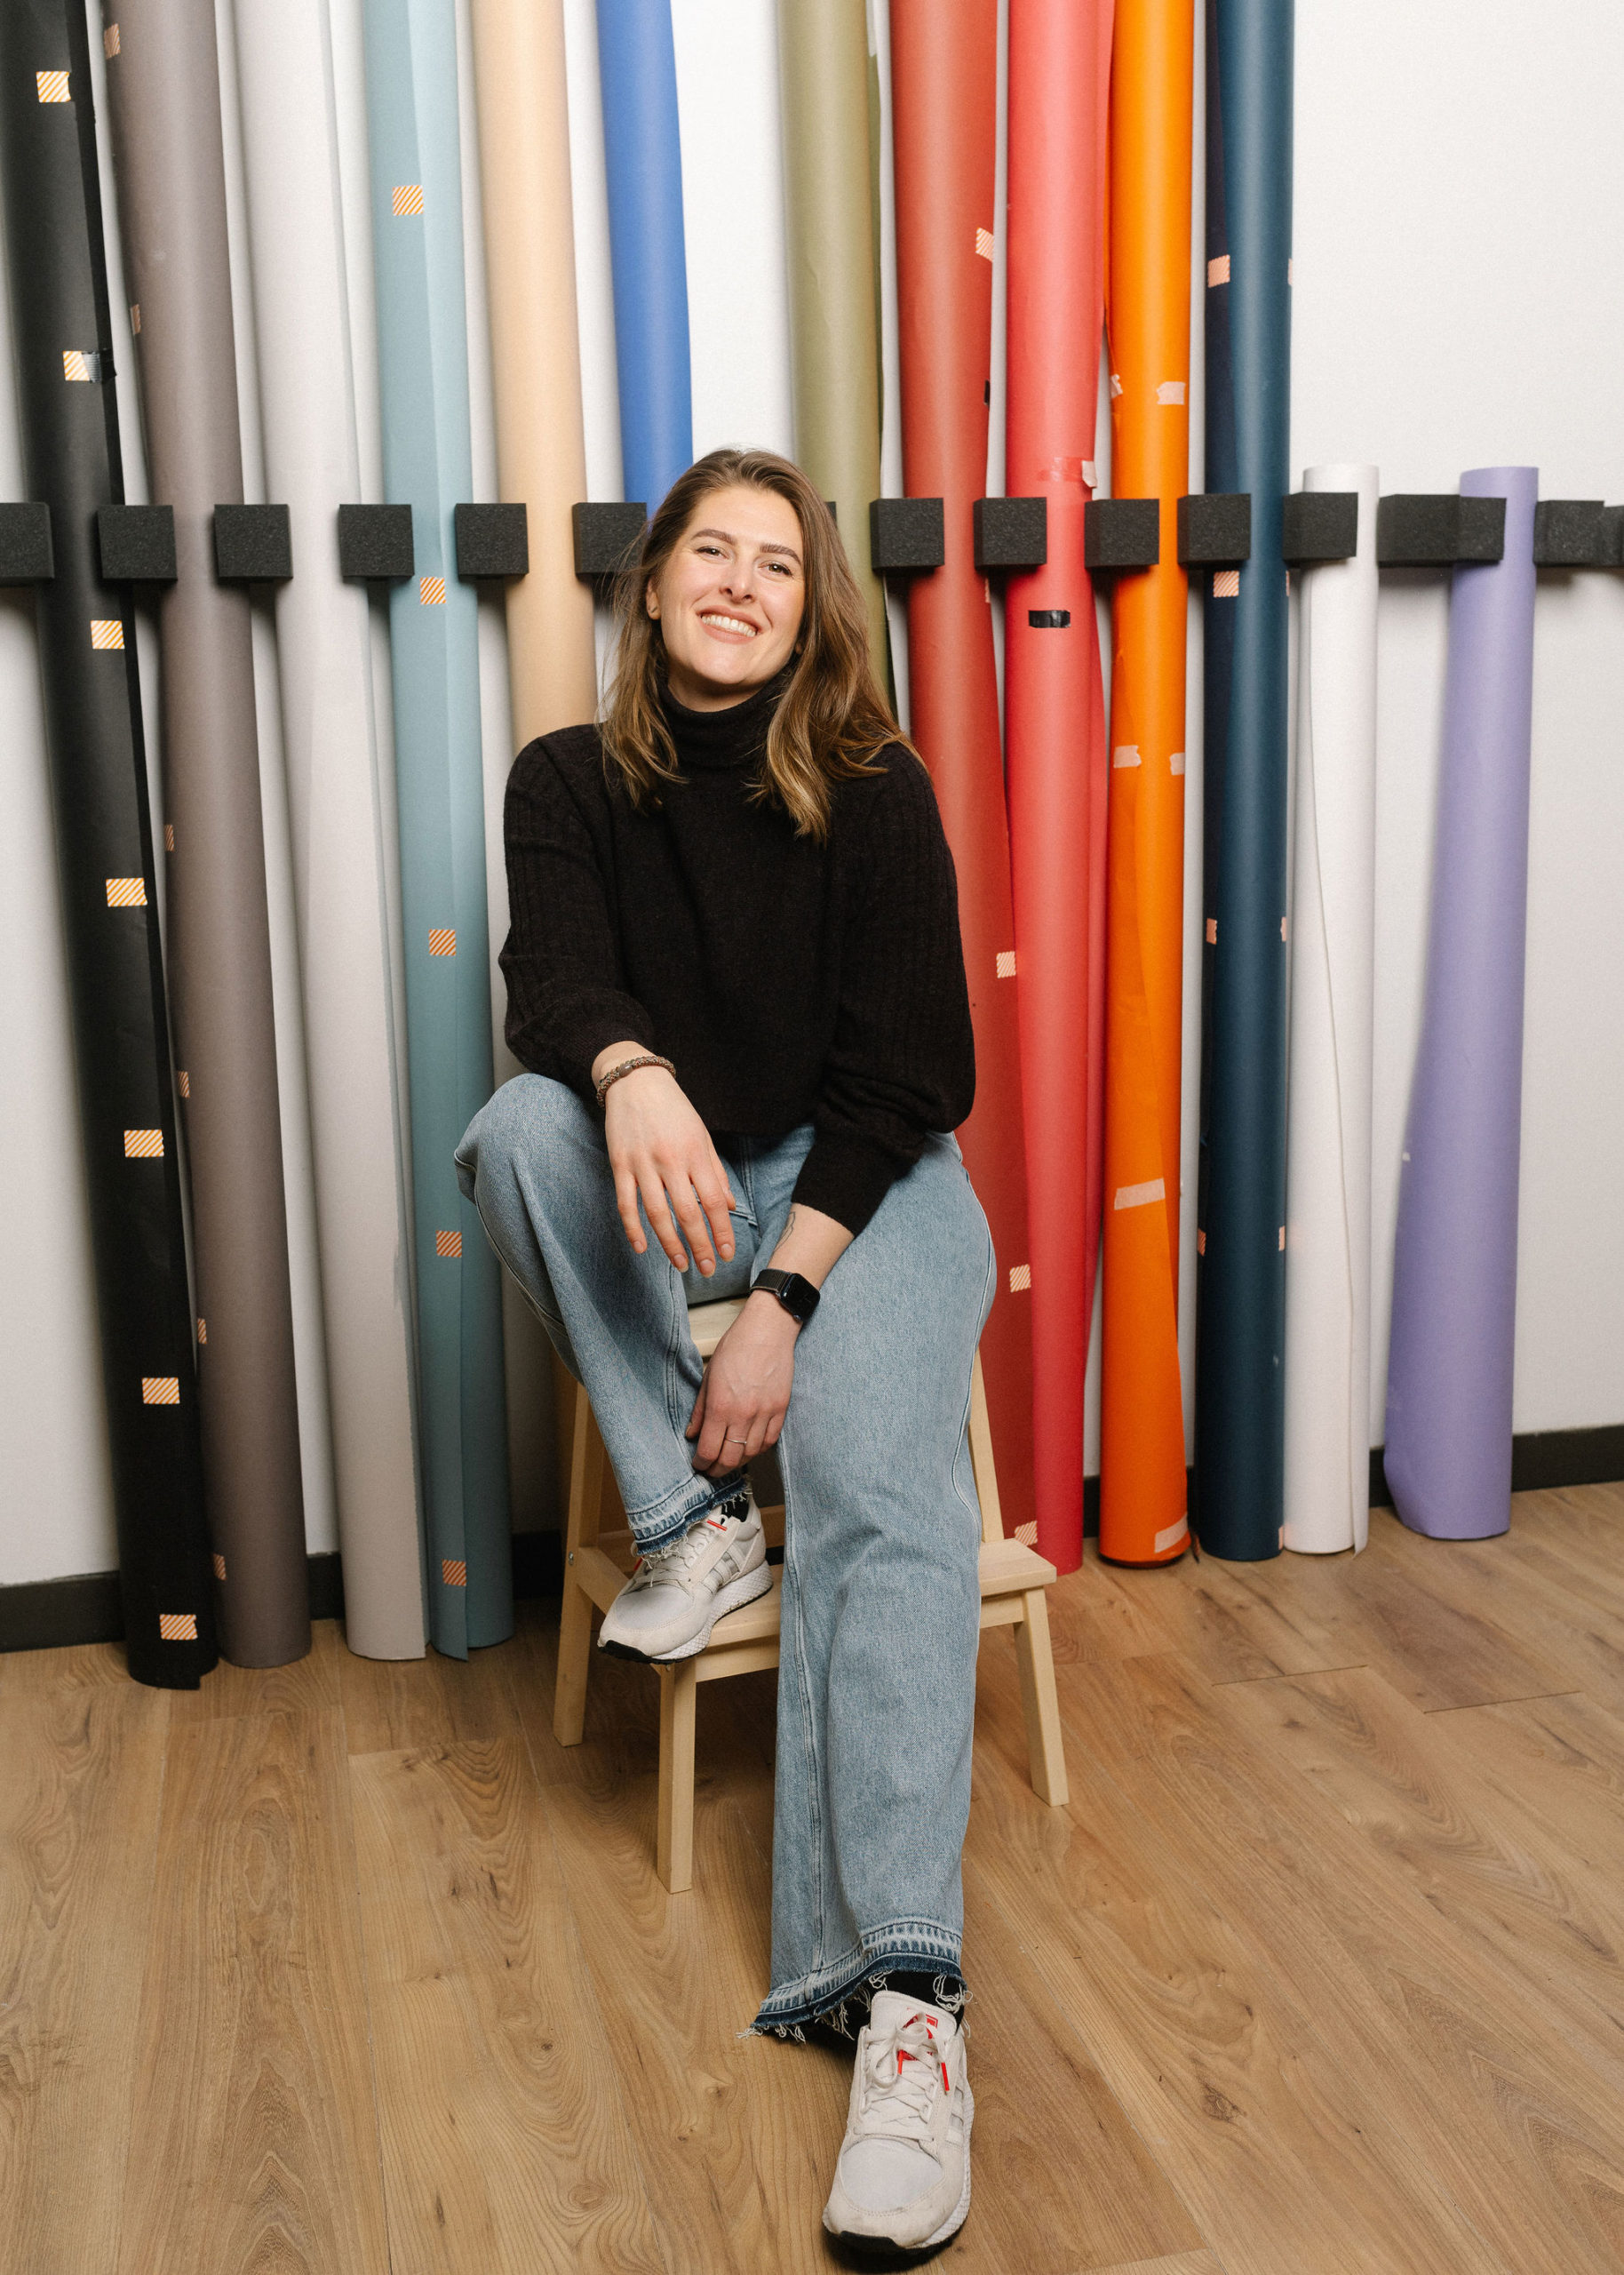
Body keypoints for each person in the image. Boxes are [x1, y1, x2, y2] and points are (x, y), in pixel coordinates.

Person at [457, 447, 991, 2254]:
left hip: (868, 1178)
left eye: (777, 561)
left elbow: (909, 1069)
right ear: (656, 577)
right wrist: (628, 1073)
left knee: (877, 1489)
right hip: (674, 1156)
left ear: (808, 606)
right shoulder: (565, 780)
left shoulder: (874, 784)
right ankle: (696, 1526)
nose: (743, 583)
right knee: (518, 1126)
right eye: (713, 549)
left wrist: (783, 1302)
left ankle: (905, 2006)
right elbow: (552, 987)